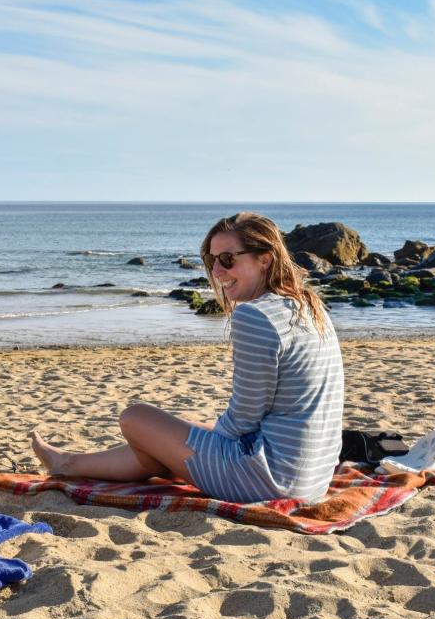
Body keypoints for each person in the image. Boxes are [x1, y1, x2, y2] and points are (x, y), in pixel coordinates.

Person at [32, 212, 345, 503]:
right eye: (211, 260)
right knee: (179, 435)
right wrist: (197, 439)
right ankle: (67, 463)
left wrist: (204, 442)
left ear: (265, 259)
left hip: (267, 480)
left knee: (135, 418)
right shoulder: (307, 305)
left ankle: (68, 464)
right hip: (312, 478)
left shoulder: (255, 316)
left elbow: (245, 417)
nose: (217, 270)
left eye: (227, 259)